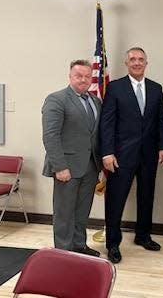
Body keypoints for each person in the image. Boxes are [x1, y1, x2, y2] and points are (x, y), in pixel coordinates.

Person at [100, 47, 163, 264]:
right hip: (120, 156)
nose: (137, 63)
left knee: (147, 196)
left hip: (149, 154)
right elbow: (107, 123)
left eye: (140, 59)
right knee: (115, 200)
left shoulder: (156, 89)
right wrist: (107, 153)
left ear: (146, 63)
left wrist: (162, 147)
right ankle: (112, 243)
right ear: (126, 63)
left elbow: (161, 121)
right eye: (133, 59)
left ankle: (143, 235)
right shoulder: (114, 88)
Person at [42, 59, 101, 257]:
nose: (83, 80)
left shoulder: (95, 101)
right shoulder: (56, 99)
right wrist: (59, 166)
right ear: (70, 76)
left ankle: (78, 246)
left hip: (90, 166)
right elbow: (50, 135)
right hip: (66, 167)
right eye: (79, 76)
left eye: (87, 76)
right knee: (64, 213)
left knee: (82, 211)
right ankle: (63, 253)